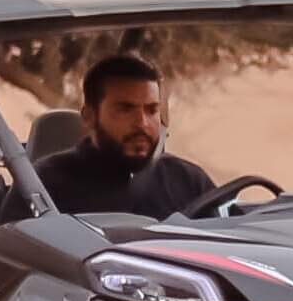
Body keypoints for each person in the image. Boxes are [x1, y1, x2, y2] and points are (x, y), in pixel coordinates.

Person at [19, 53, 213, 219]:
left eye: (152, 110)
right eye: (125, 109)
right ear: (89, 117)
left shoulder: (188, 180)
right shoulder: (42, 185)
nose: (142, 123)